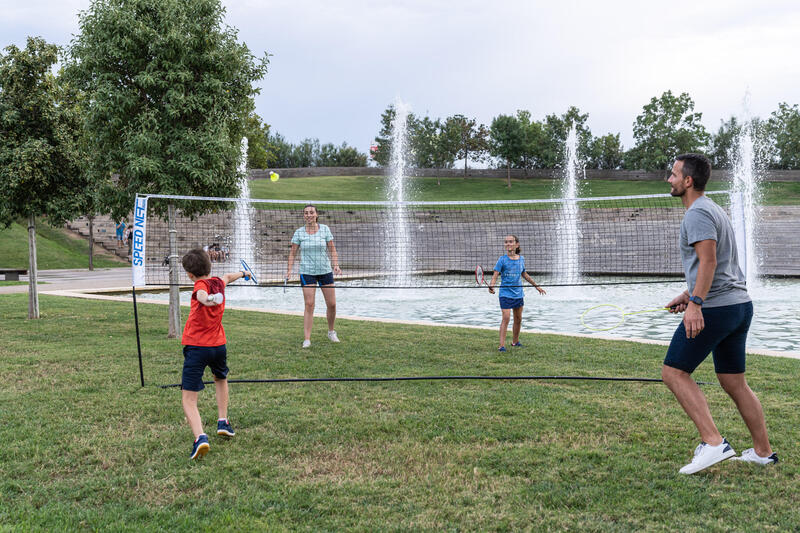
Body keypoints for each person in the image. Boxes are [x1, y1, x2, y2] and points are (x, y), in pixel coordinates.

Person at [662, 153, 776, 474]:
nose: (668, 179)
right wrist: (688, 295)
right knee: (733, 382)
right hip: (738, 306)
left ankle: (713, 443)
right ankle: (763, 452)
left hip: (717, 308)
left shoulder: (696, 214)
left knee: (673, 372)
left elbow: (710, 262)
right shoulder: (713, 209)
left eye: (673, 175)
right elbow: (716, 265)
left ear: (688, 181)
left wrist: (696, 303)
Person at [180, 247, 251, 460]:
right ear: (210, 266)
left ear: (190, 275)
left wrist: (209, 300)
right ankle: (223, 422)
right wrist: (244, 274)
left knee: (188, 398)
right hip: (218, 346)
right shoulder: (219, 282)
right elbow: (230, 276)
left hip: (197, 347)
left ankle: (200, 438)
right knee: (221, 378)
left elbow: (201, 295)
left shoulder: (200, 285)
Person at [286, 204, 342, 348]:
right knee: (309, 304)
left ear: (316, 214)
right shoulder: (299, 232)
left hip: (325, 271)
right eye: (306, 213)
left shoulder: (325, 229)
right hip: (307, 272)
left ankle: (331, 332)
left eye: (311, 212)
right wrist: (289, 270)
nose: (309, 215)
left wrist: (336, 265)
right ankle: (307, 339)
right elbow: (292, 253)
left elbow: (333, 250)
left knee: (332, 304)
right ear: (303, 216)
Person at [487, 235, 546, 351]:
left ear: (516, 244)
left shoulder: (521, 259)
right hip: (505, 293)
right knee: (506, 318)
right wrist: (491, 286)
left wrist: (536, 286)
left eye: (510, 242)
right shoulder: (502, 260)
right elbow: (495, 276)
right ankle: (501, 346)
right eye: (506, 242)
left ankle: (515, 342)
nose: (508, 244)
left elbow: (524, 274)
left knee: (518, 319)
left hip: (518, 293)